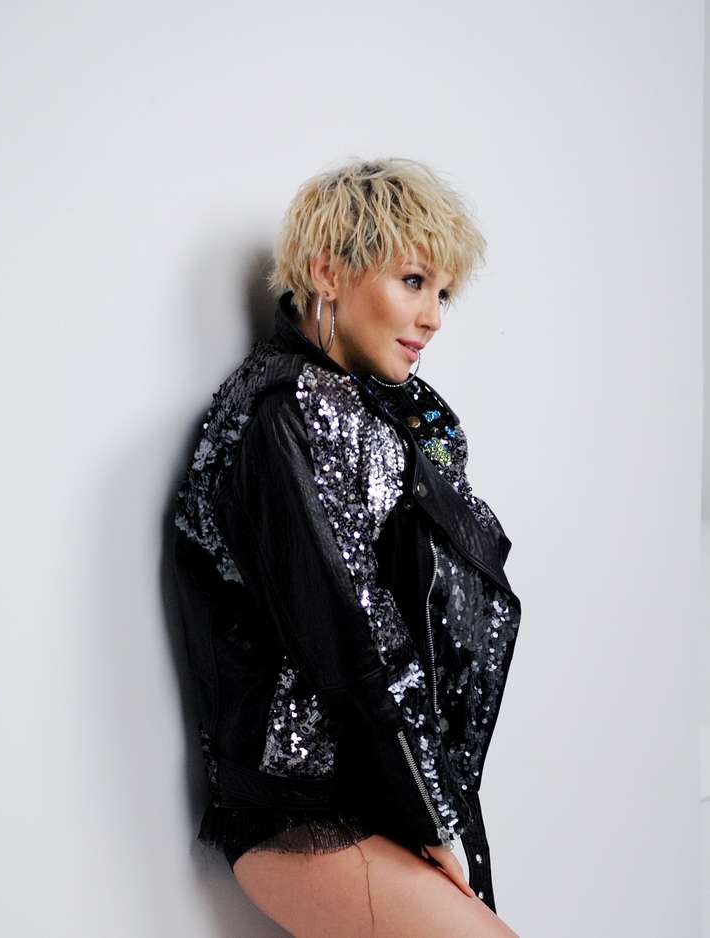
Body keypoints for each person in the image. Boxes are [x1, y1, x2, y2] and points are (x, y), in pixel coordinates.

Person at [172, 157, 522, 937]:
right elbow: (354, 633)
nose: (433, 316)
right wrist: (433, 816)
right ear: (327, 272)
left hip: (374, 792)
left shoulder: (380, 417)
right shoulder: (288, 411)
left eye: (442, 293)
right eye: (412, 281)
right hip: (303, 808)